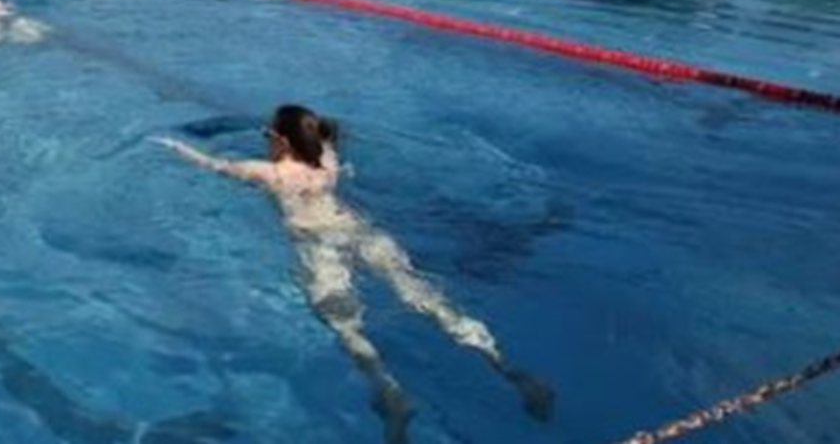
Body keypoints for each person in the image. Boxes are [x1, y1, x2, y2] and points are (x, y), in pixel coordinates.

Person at [157, 105, 553, 444]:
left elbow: (210, 164)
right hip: (361, 232)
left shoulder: (268, 172)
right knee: (430, 300)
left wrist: (170, 144)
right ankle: (508, 368)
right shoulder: (327, 164)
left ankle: (390, 392)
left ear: (280, 140)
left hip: (318, 246)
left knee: (346, 325)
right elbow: (330, 135)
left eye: (267, 132)